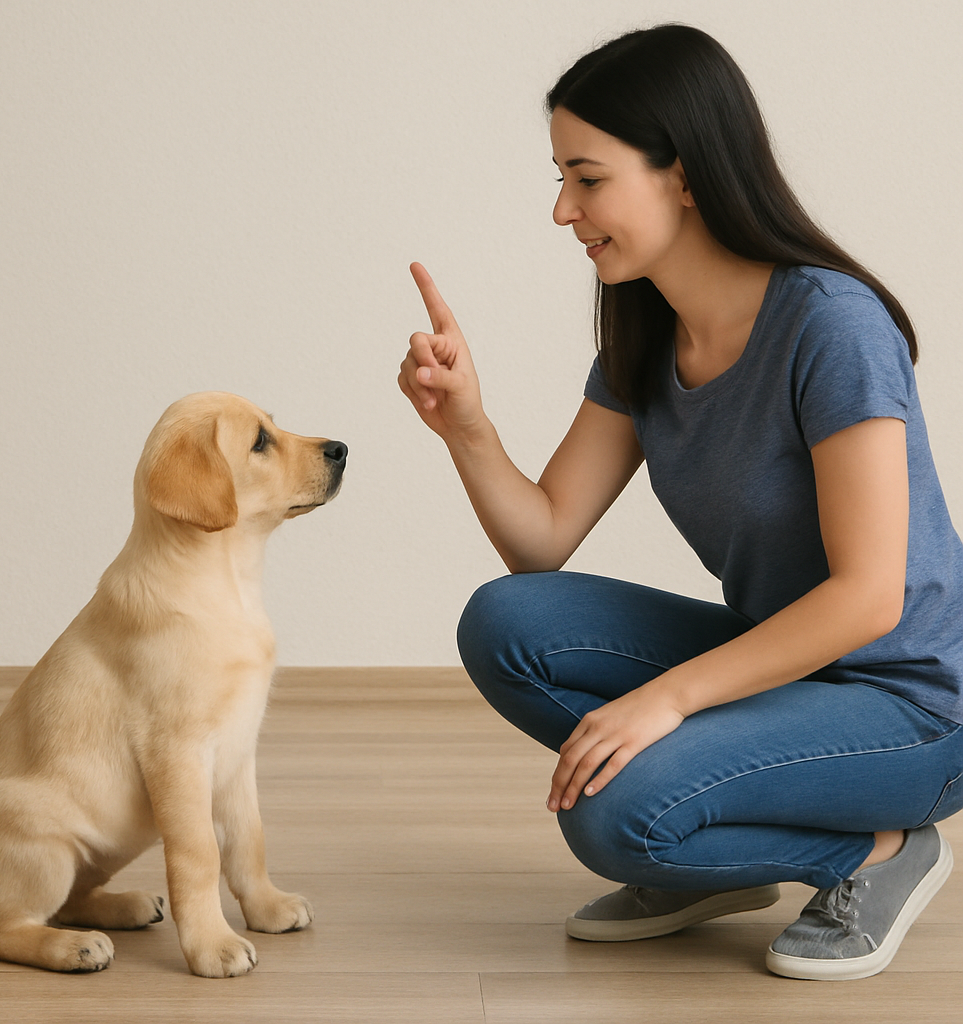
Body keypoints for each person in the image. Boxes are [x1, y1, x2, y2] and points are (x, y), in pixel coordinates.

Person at [397, 23, 963, 981]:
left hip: (910, 702)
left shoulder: (833, 326)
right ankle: (717, 857)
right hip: (791, 671)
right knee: (506, 622)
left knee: (615, 813)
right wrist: (466, 425)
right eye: (560, 179)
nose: (564, 211)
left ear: (685, 174)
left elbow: (871, 599)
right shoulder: (646, 332)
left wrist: (664, 704)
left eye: (588, 177)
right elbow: (542, 543)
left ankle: (879, 851)